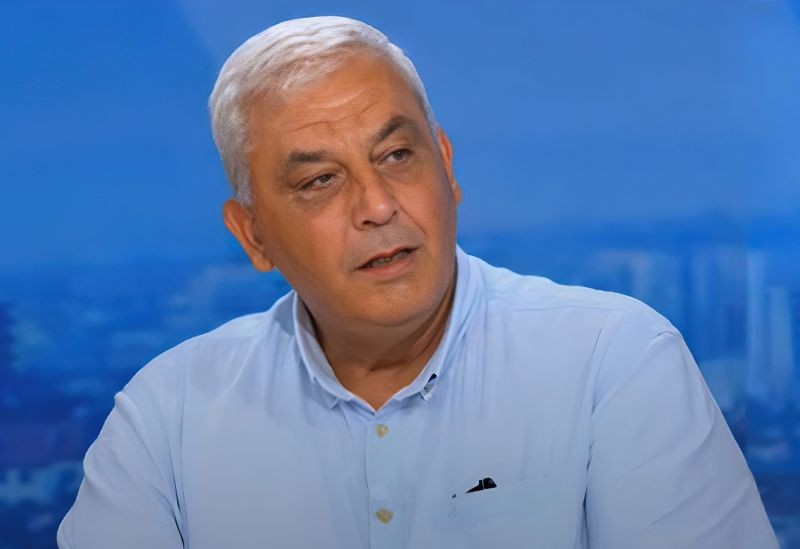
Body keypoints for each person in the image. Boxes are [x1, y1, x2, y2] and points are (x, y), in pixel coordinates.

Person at [57, 15, 778, 549]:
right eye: (320, 180)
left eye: (397, 156)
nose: (377, 206)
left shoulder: (615, 362)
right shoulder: (167, 420)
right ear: (253, 236)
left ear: (447, 167)